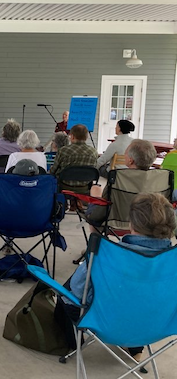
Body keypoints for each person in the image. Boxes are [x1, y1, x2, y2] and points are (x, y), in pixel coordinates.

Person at [55, 193, 175, 360]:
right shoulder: (172, 259)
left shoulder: (107, 255)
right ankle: (136, 350)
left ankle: (73, 344)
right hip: (156, 327)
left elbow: (77, 290)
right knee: (144, 297)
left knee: (66, 292)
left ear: (132, 224)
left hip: (107, 324)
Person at [86, 139, 158, 228]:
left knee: (95, 189)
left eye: (125, 153)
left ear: (131, 160)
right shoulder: (158, 179)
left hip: (116, 222)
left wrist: (95, 197)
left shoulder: (118, 178)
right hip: (148, 223)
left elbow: (100, 212)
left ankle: (95, 240)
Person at [50, 124, 98, 193]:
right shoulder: (93, 152)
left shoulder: (63, 151)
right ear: (86, 137)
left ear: (72, 136)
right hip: (84, 188)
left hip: (64, 187)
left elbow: (53, 171)